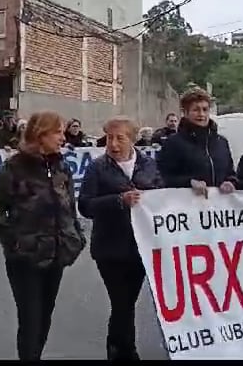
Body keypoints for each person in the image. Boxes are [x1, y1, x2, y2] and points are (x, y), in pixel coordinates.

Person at [0, 111, 87, 360]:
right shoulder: (15, 167)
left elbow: (69, 205)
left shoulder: (61, 165)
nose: (63, 138)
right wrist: (16, 242)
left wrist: (76, 234)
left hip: (57, 253)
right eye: (58, 132)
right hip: (26, 258)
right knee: (30, 320)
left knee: (44, 317)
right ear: (40, 134)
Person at [78, 116, 162, 360]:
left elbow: (161, 193)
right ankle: (124, 351)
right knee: (121, 302)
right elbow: (85, 205)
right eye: (109, 138)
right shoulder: (97, 167)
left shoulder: (148, 165)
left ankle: (117, 347)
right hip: (110, 248)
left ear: (133, 139)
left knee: (126, 304)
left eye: (120, 138)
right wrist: (117, 201)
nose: (113, 144)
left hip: (140, 247)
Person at [156, 88, 238, 198]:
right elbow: (162, 177)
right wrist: (189, 182)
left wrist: (230, 181)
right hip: (186, 207)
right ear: (185, 113)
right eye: (196, 110)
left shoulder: (222, 142)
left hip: (218, 209)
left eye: (205, 109)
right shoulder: (173, 143)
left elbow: (230, 173)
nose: (201, 114)